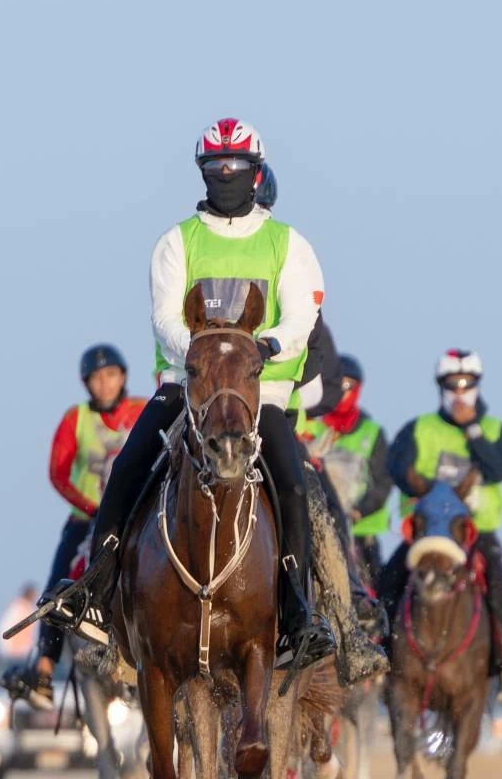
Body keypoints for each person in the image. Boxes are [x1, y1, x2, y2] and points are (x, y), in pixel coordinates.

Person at [38, 118, 335, 673]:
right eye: (216, 168)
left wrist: (259, 348)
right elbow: (164, 317)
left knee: (292, 482)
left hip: (258, 390)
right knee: (129, 465)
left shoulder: (288, 244)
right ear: (202, 173)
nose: (226, 175)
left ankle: (298, 610)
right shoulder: (176, 242)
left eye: (237, 168)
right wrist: (202, 353)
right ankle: (96, 592)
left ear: (255, 173)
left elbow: (302, 315)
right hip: (187, 385)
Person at [379, 348, 502, 696]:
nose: (460, 393)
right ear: (441, 388)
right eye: (452, 385)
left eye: (467, 385)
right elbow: (396, 466)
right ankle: (376, 646)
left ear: (478, 386)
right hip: (428, 533)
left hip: (474, 533)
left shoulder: (495, 430)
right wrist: (423, 488)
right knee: (390, 576)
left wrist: (472, 431)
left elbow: (499, 469)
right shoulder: (420, 429)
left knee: (495, 577)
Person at [25, 345, 145, 707]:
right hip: (86, 519)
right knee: (56, 585)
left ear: (123, 376)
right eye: (96, 378)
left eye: (110, 375)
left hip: (133, 516)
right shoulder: (74, 419)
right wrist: (91, 507)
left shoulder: (143, 411)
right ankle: (44, 669)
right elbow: (58, 473)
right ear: (86, 384)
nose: (104, 384)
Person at [301, 354, 392, 588]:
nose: (343, 392)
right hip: (316, 522)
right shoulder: (310, 426)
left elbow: (383, 481)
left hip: (360, 532)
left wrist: (360, 511)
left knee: (380, 589)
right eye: (337, 384)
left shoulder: (372, 433)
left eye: (349, 386)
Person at [0, 583, 39, 659]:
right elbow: (4, 628)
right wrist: (7, 649)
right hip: (14, 654)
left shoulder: (28, 608)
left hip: (24, 653)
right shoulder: (17, 608)